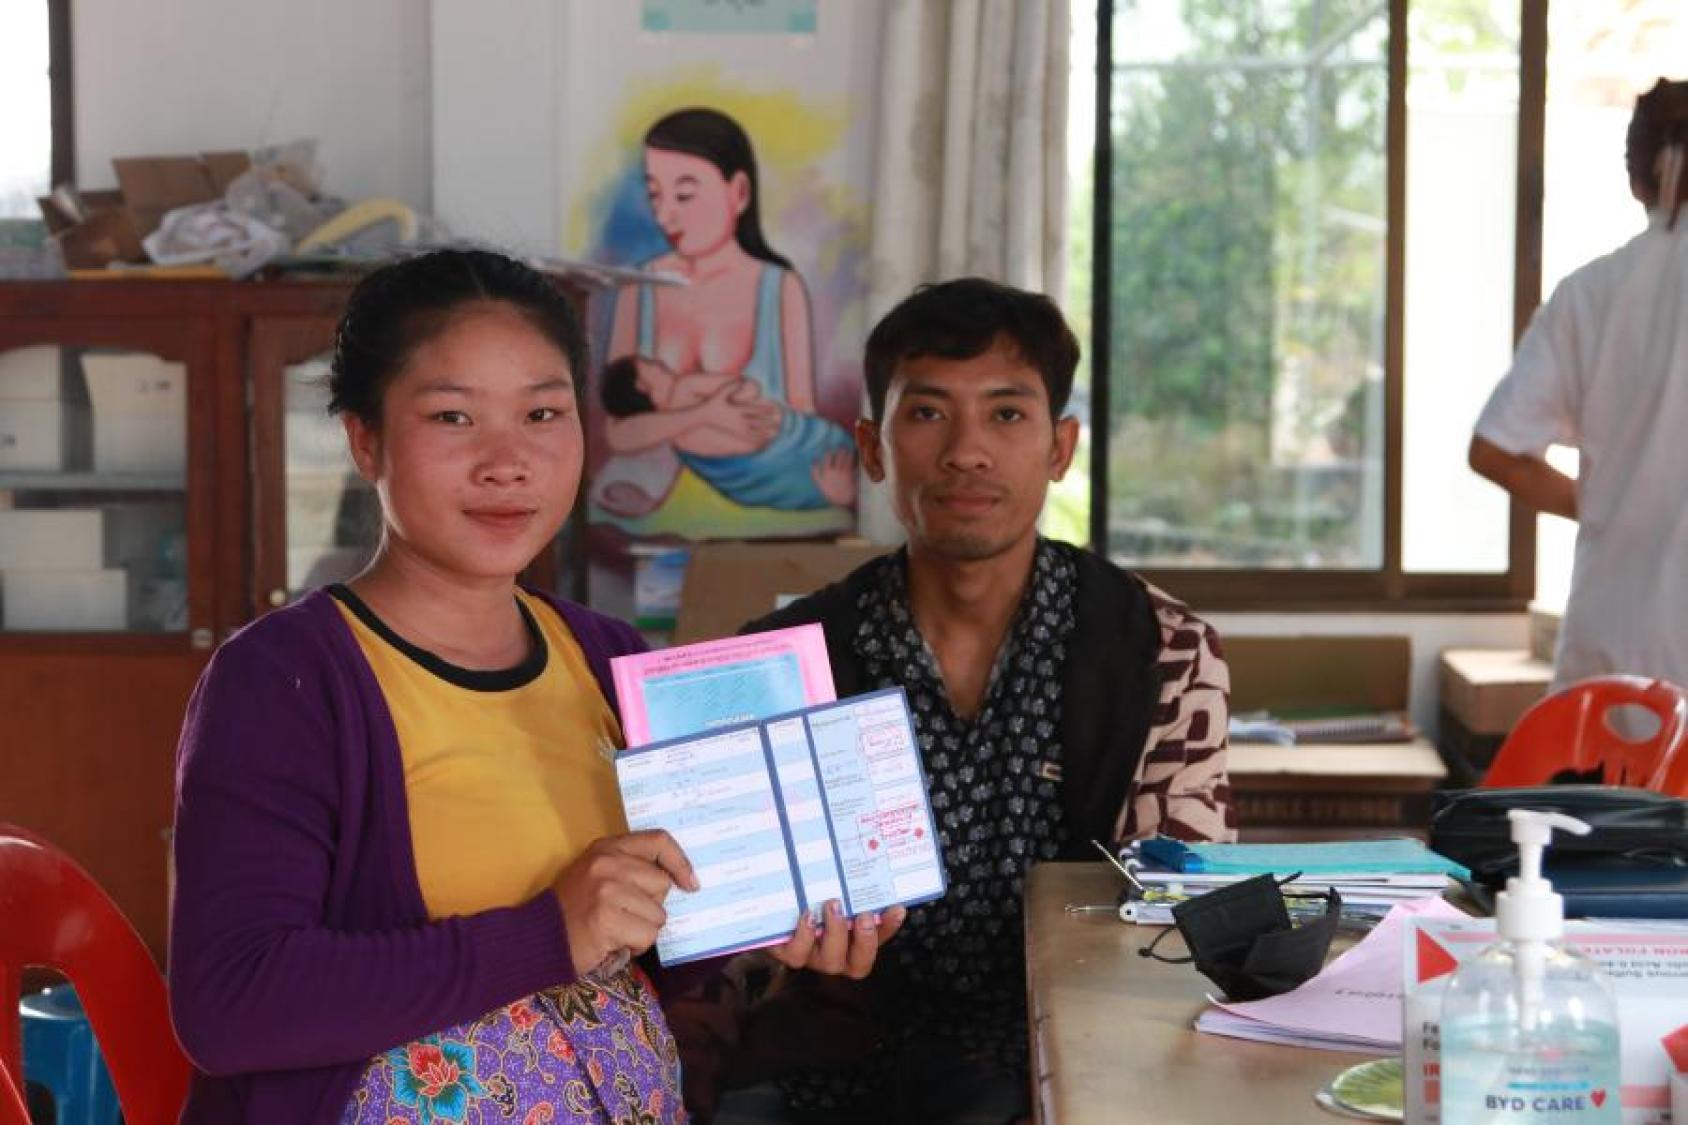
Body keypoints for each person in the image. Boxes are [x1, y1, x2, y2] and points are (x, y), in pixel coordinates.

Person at [167, 249, 900, 1124]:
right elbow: (232, 1004)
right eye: (452, 416)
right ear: (366, 439)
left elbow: (646, 943)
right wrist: (550, 934)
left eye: (543, 413)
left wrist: (767, 917)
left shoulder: (604, 656)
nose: (507, 461)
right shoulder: (285, 680)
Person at [706, 277, 1238, 1124]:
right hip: (835, 1058)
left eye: (1007, 414)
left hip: (1067, 1055)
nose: (967, 451)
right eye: (926, 414)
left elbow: (1173, 921)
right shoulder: (782, 661)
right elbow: (734, 945)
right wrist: (772, 949)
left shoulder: (1161, 648)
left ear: (1061, 447)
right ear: (872, 449)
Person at [1469, 78, 1688, 693]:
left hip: (1616, 651)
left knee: (1608, 789)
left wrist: (1611, 502)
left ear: (1636, 178)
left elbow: (1495, 450)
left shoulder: (1591, 294)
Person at [597, 107, 837, 519]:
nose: (665, 215)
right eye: (655, 194)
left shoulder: (780, 288)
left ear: (739, 192)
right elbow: (618, 430)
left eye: (685, 195)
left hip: (771, 487)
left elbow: (800, 424)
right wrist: (700, 415)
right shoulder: (639, 287)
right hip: (669, 505)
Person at [600, 355, 856, 510]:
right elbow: (754, 436)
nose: (659, 364)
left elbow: (748, 388)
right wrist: (714, 410)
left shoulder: (687, 390)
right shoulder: (684, 424)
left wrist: (731, 402)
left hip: (798, 439)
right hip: (781, 464)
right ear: (642, 386)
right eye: (650, 365)